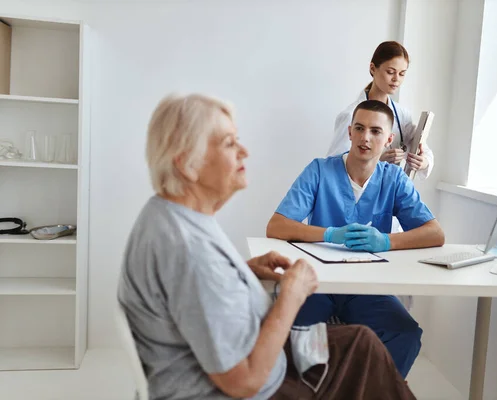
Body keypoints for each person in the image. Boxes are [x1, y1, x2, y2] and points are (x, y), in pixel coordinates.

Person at [117, 93, 417, 400]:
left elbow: (191, 290)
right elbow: (245, 382)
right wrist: (292, 293)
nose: (244, 151)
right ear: (187, 165)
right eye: (229, 143)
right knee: (365, 359)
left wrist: (239, 272)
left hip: (256, 358)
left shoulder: (170, 216)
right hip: (257, 387)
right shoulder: (186, 247)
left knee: (361, 343)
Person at [267, 99, 445, 378]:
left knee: (405, 335)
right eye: (359, 128)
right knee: (295, 336)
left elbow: (435, 233)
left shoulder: (394, 180)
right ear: (349, 132)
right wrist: (328, 234)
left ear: (388, 139)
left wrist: (386, 241)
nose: (365, 137)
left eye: (375, 131)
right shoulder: (319, 170)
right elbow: (277, 226)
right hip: (317, 283)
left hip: (366, 286)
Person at [327, 41, 434, 180]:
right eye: (390, 72)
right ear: (373, 68)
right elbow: (333, 166)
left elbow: (424, 150)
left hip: (390, 193)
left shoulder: (402, 115)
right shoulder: (351, 115)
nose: (396, 79)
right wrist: (376, 160)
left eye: (402, 74)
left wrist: (423, 162)